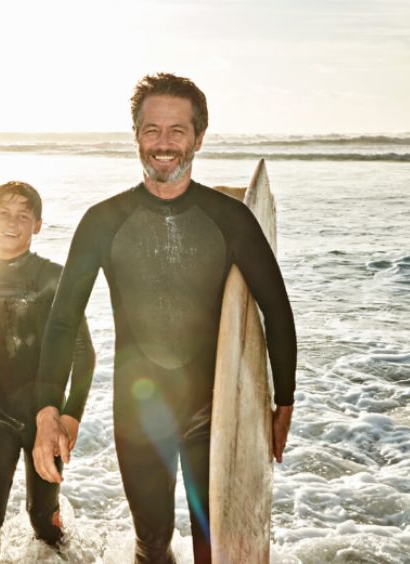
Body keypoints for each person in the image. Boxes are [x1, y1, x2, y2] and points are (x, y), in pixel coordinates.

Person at [32, 73, 297, 563]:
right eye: (152, 130)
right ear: (136, 135)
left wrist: (283, 402)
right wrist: (49, 409)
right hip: (140, 415)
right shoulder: (103, 221)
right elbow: (63, 319)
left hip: (211, 412)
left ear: (199, 137)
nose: (164, 144)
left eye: (178, 130)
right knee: (152, 545)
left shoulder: (231, 219)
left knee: (212, 546)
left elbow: (276, 310)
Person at [0, 181, 95, 563]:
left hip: (44, 418)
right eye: (3, 213)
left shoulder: (55, 278)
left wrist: (71, 416)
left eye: (23, 216)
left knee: (42, 520)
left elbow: (85, 354)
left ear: (37, 225)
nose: (12, 223)